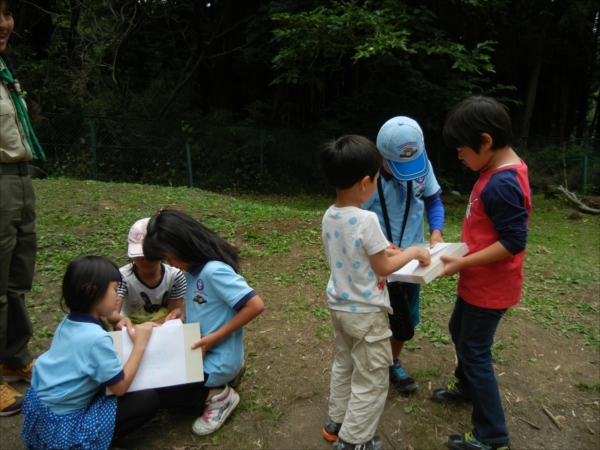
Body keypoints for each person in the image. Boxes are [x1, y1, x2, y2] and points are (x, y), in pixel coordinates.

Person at [319, 135, 431, 450]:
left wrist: (388, 249)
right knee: (371, 377)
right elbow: (383, 268)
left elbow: (360, 254)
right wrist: (413, 252)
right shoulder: (367, 219)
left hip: (339, 309)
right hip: (366, 315)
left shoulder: (330, 215)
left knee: (345, 364)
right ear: (366, 183)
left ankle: (335, 423)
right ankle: (355, 441)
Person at [433, 96, 531, 450]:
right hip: (477, 280)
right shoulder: (492, 170)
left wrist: (461, 262)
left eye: (462, 149)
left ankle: (492, 434)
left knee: (474, 351)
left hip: (490, 287)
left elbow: (514, 241)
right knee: (458, 330)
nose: (459, 156)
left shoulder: (502, 182)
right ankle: (466, 386)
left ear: (485, 141)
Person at [142, 208, 265, 436]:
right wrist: (178, 315)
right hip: (201, 353)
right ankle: (226, 375)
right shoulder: (193, 272)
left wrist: (211, 340)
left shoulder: (214, 271)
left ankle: (220, 397)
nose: (170, 264)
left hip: (214, 359)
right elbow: (203, 306)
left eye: (168, 258)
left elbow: (255, 305)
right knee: (152, 380)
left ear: (182, 245)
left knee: (160, 393)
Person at [20, 256, 160, 449]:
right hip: (67, 422)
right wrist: (140, 344)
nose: (118, 296)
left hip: (46, 407)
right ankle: (92, 442)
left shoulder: (69, 321)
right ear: (93, 292)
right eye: (114, 289)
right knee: (148, 399)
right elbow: (120, 388)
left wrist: (118, 319)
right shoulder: (96, 339)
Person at [362, 116, 445, 394]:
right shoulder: (368, 177)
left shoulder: (421, 165)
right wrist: (383, 243)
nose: (407, 172)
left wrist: (436, 231)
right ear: (382, 156)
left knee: (403, 319)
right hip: (376, 262)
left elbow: (433, 200)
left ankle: (391, 362)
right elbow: (357, 218)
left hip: (412, 263)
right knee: (371, 317)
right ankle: (368, 366)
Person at [0, 0, 47, 417]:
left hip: (19, 176)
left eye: (6, 12)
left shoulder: (4, 70)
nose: (3, 23)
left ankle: (13, 357)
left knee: (16, 278)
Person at [107, 217, 186, 329]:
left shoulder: (174, 276)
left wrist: (147, 327)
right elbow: (112, 314)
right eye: (139, 255)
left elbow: (175, 313)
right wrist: (127, 324)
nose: (145, 260)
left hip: (164, 328)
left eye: (150, 255)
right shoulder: (122, 276)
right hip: (130, 327)